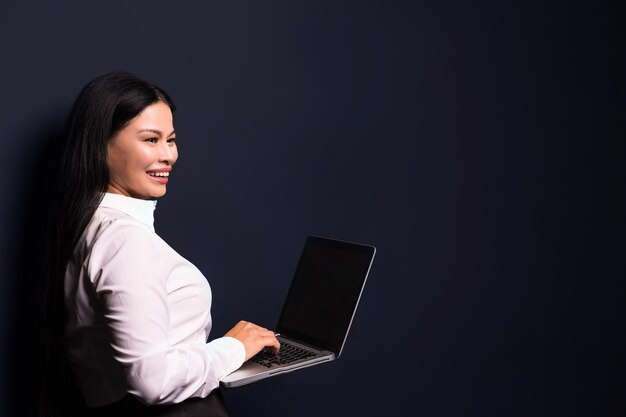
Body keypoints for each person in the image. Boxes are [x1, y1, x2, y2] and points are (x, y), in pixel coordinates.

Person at [36, 72, 280, 417]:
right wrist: (233, 348)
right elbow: (153, 381)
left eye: (171, 139)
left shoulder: (88, 224)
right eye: (151, 139)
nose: (169, 155)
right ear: (98, 146)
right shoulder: (124, 240)